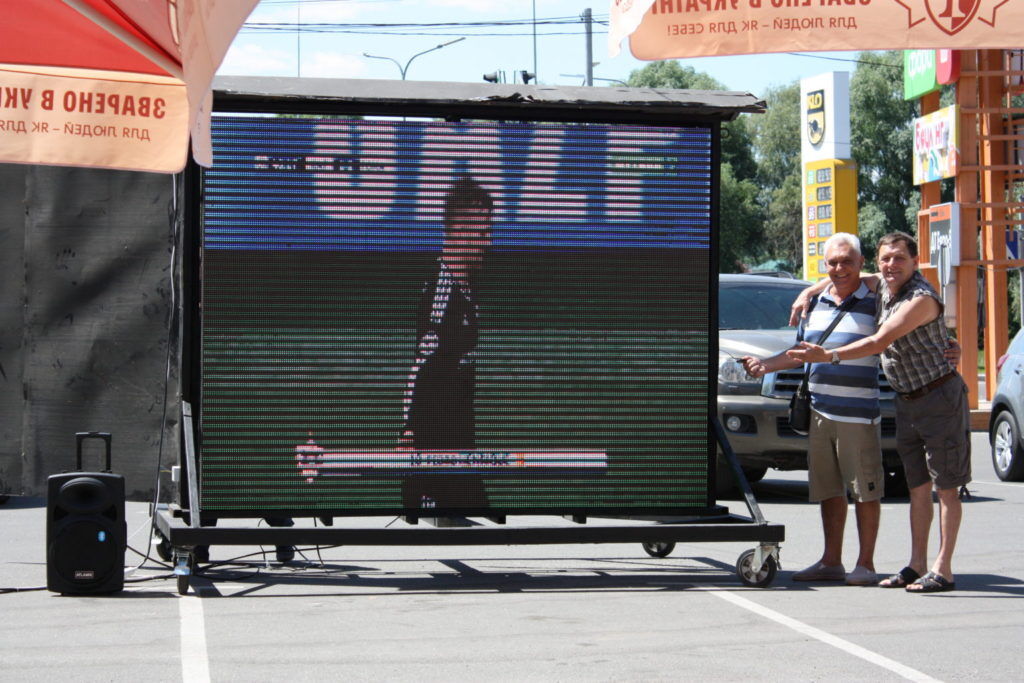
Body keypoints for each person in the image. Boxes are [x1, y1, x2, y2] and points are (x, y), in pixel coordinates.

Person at [788, 231, 970, 593]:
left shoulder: (920, 298)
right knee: (918, 486)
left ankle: (943, 568)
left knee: (947, 487)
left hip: (939, 397)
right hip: (907, 398)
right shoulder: (885, 285)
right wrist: (809, 290)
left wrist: (829, 356)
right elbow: (849, 274)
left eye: (899, 258)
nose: (891, 265)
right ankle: (916, 565)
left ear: (915, 261)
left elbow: (879, 340)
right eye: (886, 258)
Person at [741, 233, 884, 586]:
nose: (839, 269)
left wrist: (809, 287)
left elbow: (898, 275)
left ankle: (865, 563)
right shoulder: (816, 304)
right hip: (820, 412)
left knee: (865, 490)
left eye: (847, 262)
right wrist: (765, 366)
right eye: (832, 263)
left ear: (861, 263)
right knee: (829, 490)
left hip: (858, 415)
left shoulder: (876, 298)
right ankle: (831, 561)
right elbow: (799, 350)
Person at [400, 174, 494, 509]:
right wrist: (409, 435)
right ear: (458, 231)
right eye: (482, 234)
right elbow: (420, 366)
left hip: (460, 438)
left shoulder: (469, 289)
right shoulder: (443, 293)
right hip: (435, 446)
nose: (488, 242)